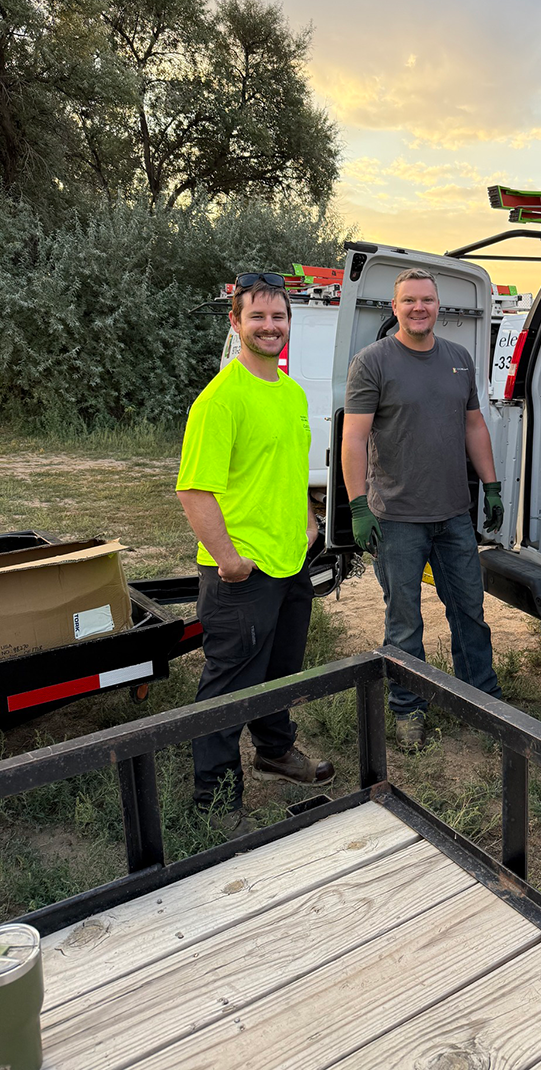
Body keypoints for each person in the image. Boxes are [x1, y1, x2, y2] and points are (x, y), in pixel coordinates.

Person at [176, 271, 334, 838]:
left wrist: (311, 523)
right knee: (229, 684)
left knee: (280, 672)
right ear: (235, 322)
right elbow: (194, 490)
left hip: (291, 560)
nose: (271, 327)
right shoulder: (222, 399)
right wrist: (230, 560)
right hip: (242, 570)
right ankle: (215, 799)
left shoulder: (290, 392)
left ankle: (273, 751)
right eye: (259, 317)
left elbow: (284, 474)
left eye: (279, 317)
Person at [342, 268, 504, 751]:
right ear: (394, 308)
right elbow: (354, 437)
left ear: (439, 307)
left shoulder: (458, 359)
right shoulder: (372, 362)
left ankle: (483, 700)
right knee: (405, 620)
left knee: (469, 612)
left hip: (454, 514)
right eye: (409, 300)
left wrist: (490, 487)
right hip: (396, 518)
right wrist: (357, 504)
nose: (419, 308)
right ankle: (408, 708)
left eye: (427, 300)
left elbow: (474, 425)